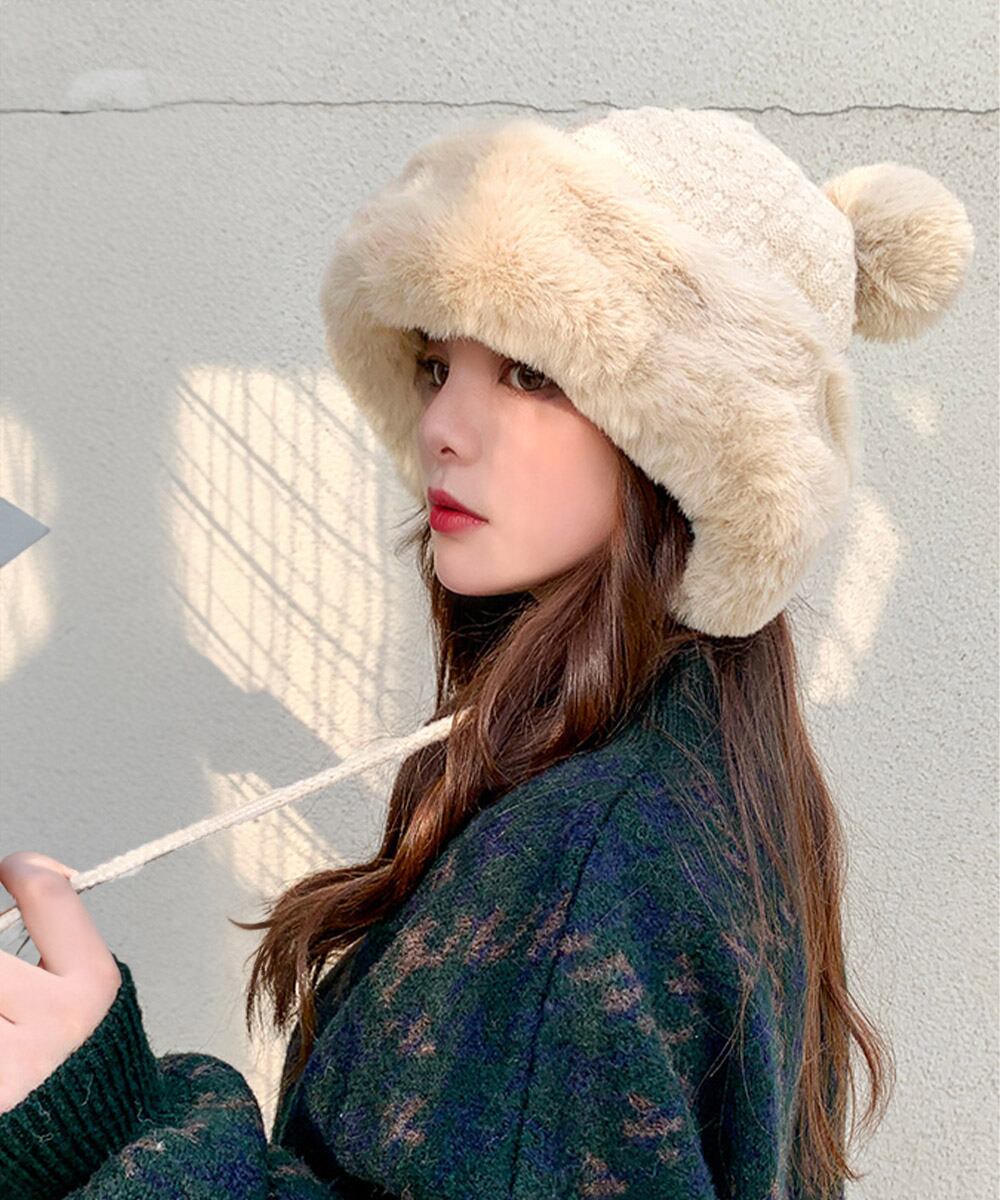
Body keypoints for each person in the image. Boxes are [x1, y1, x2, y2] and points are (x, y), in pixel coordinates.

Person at [0, 105, 974, 1199]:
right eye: (434, 364)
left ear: (698, 450)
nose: (442, 427)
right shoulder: (703, 774)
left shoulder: (585, 862)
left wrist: (93, 1126)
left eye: (530, 374)